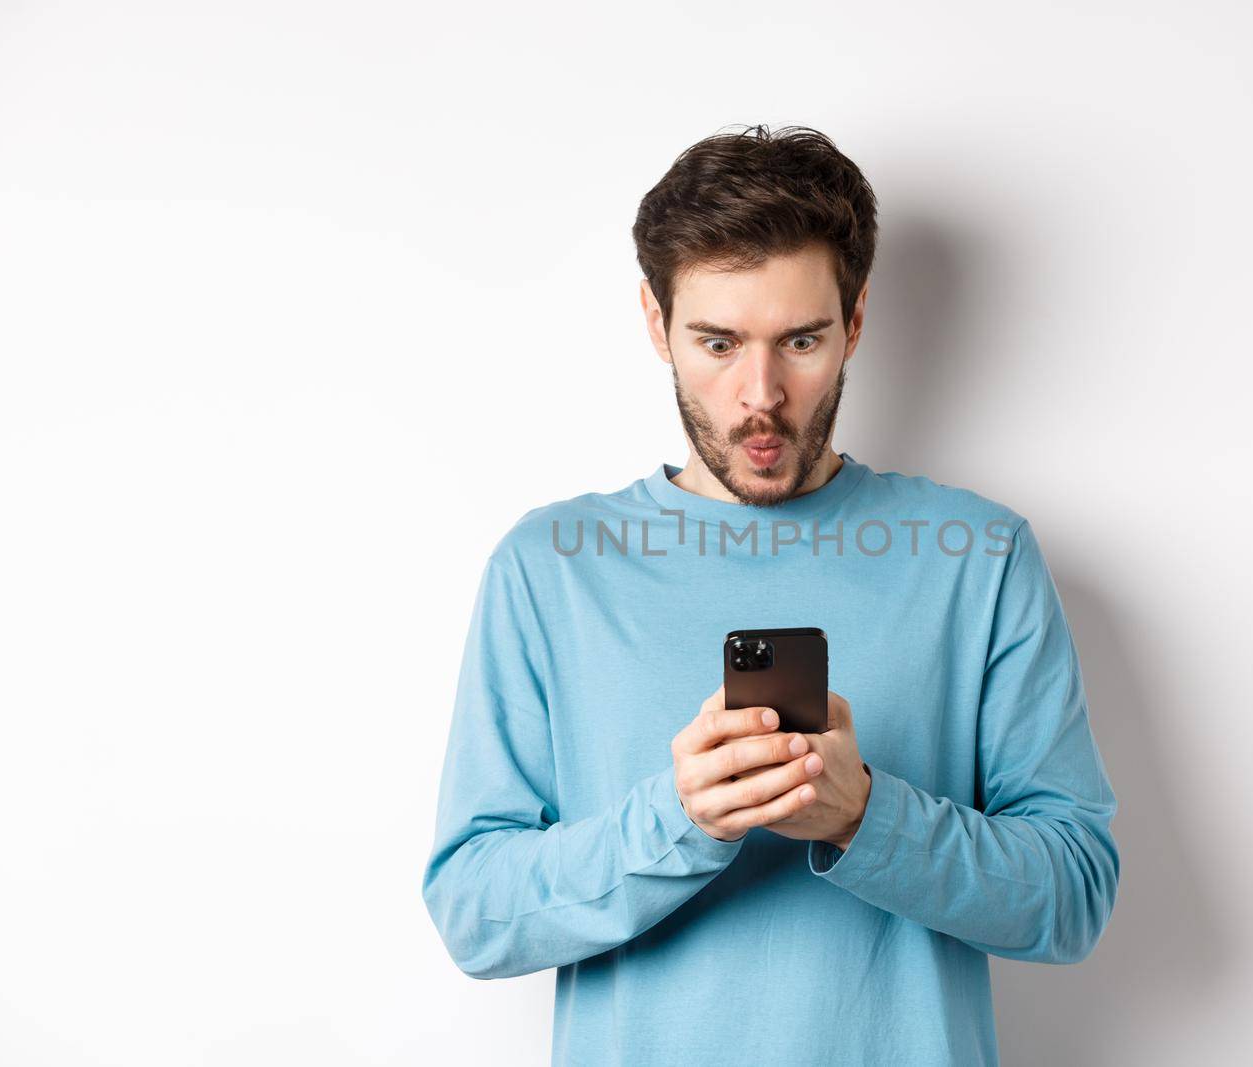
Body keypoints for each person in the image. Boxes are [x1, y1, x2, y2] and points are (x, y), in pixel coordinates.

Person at [421, 124, 1120, 1066]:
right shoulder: (552, 566)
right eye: (717, 341)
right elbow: (475, 913)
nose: (761, 393)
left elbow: (1073, 895)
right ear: (654, 322)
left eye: (801, 340)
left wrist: (865, 817)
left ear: (857, 322)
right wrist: (680, 821)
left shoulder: (979, 557)